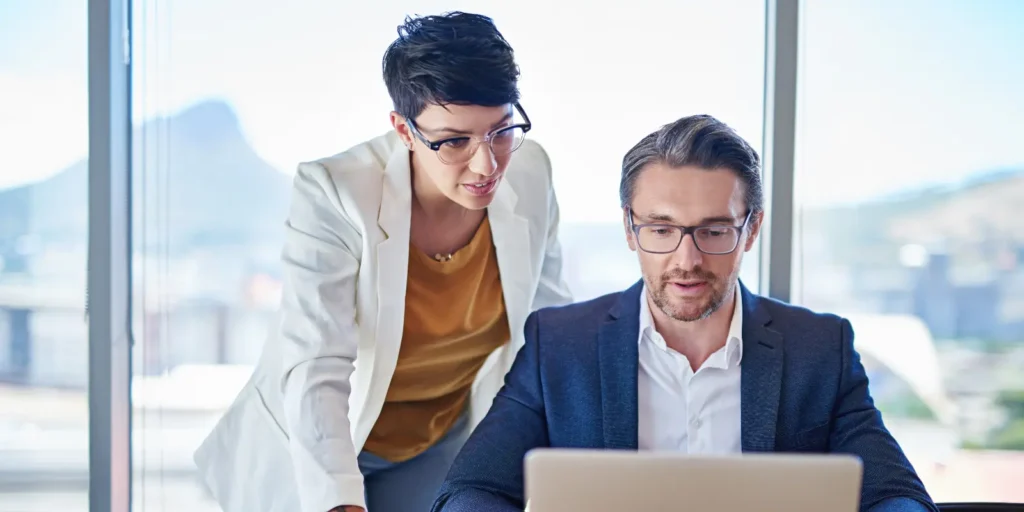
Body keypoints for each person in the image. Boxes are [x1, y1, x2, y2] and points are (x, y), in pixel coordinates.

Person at [431, 114, 938, 512]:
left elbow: (897, 496)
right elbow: (469, 490)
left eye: (714, 231)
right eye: (661, 229)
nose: (687, 260)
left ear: (751, 229)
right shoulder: (560, 345)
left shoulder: (819, 348)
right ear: (630, 229)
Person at [193, 11, 572, 512]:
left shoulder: (529, 171)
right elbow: (317, 363)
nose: (486, 164)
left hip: (441, 445)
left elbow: (548, 332)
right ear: (404, 130)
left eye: (500, 131)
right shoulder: (334, 192)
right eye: (454, 141)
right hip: (324, 445)